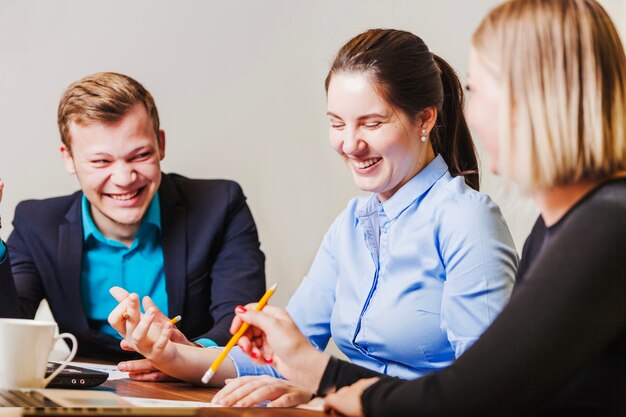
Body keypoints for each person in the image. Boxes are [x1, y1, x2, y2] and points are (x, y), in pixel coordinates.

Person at [220, 0, 626, 415]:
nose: (471, 112)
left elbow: (478, 395)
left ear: (537, 101)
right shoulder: (562, 226)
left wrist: (320, 376)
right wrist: (321, 381)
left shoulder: (606, 225)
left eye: (479, 92)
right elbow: (480, 386)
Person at [110, 29, 518, 407]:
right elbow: (284, 357)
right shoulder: (353, 222)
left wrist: (323, 382)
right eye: (337, 123)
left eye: (372, 123)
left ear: (425, 119)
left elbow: (485, 392)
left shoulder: (467, 220)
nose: (349, 144)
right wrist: (173, 355)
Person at [0, 72, 266, 361]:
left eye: (140, 156)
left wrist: (188, 356)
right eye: (101, 161)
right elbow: (8, 325)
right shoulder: (36, 223)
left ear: (160, 144)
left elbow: (239, 321)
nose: (124, 179)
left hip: (193, 390)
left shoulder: (220, 205)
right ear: (68, 157)